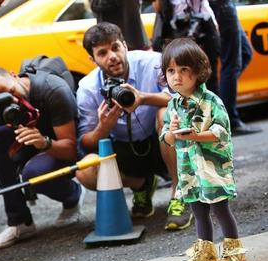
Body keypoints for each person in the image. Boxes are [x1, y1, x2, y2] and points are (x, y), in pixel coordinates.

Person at [75, 22, 192, 231]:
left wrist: (143, 98)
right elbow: (85, 143)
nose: (112, 56)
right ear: (92, 60)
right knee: (84, 170)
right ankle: (142, 185)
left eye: (115, 47)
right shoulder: (87, 88)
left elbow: (184, 97)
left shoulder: (153, 62)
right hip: (124, 150)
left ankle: (179, 194)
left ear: (125, 46)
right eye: (102, 53)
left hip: (162, 142)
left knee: (167, 113)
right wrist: (103, 126)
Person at [0, 66, 84, 249]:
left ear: (14, 76)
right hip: (29, 139)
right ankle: (20, 221)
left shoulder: (52, 90)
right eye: (2, 98)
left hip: (58, 143)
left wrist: (44, 143)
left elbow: (72, 150)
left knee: (34, 174)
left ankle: (72, 196)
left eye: (11, 91)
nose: (12, 100)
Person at [159, 38, 246, 261]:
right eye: (170, 70)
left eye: (183, 70)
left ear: (198, 71)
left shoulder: (211, 102)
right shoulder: (173, 105)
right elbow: (165, 137)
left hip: (211, 167)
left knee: (220, 207)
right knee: (197, 209)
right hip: (189, 169)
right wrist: (173, 131)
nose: (176, 76)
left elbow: (221, 131)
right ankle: (206, 250)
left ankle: (233, 249)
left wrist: (197, 135)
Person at [209, 0, 261, 136]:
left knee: (245, 53)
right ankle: (230, 121)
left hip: (223, 6)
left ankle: (221, 105)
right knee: (232, 63)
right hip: (220, 5)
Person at [152, 0, 220, 95]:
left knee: (209, 82)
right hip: (180, 35)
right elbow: (158, 7)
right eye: (171, 71)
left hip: (202, 34)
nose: (176, 77)